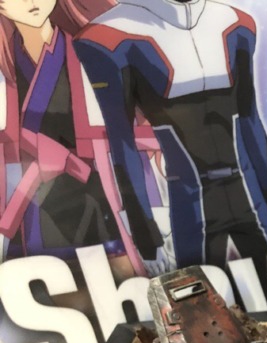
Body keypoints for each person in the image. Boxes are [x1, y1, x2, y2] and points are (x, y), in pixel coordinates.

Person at [74, 0, 267, 286]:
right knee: (200, 308)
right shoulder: (107, 37)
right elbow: (122, 142)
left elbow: (249, 116)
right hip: (191, 208)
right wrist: (145, 235)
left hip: (251, 198)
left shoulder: (237, 23)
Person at [0, 0, 162, 271]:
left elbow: (132, 118)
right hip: (30, 201)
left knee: (121, 276)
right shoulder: (5, 69)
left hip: (95, 189)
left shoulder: (91, 50)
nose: (31, 2)